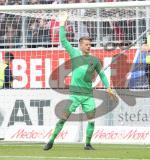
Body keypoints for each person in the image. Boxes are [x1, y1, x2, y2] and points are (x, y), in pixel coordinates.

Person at [43, 12, 117, 151]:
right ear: (81, 45)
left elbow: (102, 74)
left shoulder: (94, 60)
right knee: (63, 118)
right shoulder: (74, 53)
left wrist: (108, 87)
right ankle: (51, 141)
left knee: (92, 121)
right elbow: (64, 41)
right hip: (75, 94)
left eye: (90, 44)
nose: (89, 46)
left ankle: (87, 144)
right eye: (87, 44)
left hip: (88, 95)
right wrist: (62, 24)